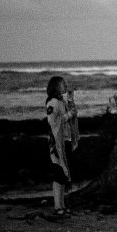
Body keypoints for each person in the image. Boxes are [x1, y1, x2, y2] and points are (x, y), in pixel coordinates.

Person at [45, 75, 78, 215]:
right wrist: (69, 115)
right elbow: (53, 122)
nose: (65, 85)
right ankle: (57, 206)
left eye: (65, 83)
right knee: (59, 174)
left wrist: (70, 99)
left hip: (66, 142)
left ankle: (62, 205)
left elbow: (72, 111)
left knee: (64, 175)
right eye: (62, 83)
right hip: (57, 145)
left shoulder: (61, 101)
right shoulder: (52, 102)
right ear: (55, 86)